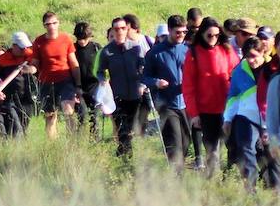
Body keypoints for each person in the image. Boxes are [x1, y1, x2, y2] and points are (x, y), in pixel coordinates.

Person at [184, 17, 234, 175]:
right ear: (202, 33)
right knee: (212, 152)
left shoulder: (226, 50)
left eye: (216, 35)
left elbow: (237, 75)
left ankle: (231, 180)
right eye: (209, 35)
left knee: (232, 147)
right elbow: (188, 86)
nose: (213, 39)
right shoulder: (193, 53)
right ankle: (213, 183)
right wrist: (194, 113)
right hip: (206, 111)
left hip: (227, 109)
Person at [143, 14, 192, 168]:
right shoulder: (155, 53)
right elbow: (145, 77)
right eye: (178, 32)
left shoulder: (188, 50)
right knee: (174, 140)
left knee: (185, 141)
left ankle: (179, 169)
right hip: (166, 104)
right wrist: (156, 82)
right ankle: (175, 176)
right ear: (169, 30)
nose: (181, 35)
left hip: (186, 103)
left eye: (184, 32)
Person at [224, 36, 271, 188]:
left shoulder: (271, 69)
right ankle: (250, 187)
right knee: (246, 148)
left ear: (262, 52)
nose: (251, 60)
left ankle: (270, 183)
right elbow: (233, 96)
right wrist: (228, 119)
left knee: (267, 152)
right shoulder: (239, 70)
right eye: (247, 56)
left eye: (254, 56)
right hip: (246, 116)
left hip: (269, 118)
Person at [96, 16, 145, 159]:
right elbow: (100, 71)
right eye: (116, 29)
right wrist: (102, 80)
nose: (120, 31)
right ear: (113, 30)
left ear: (127, 29)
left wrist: (142, 83)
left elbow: (144, 67)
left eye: (123, 28)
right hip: (117, 95)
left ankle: (122, 154)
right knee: (122, 128)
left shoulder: (136, 48)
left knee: (131, 128)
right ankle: (126, 158)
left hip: (136, 95)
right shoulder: (107, 51)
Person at [31, 11, 80, 139]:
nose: (51, 26)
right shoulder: (39, 41)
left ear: (58, 23)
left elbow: (73, 62)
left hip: (65, 80)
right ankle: (52, 146)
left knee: (68, 111)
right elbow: (35, 64)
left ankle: (72, 143)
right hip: (46, 82)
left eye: (54, 23)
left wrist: (78, 84)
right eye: (48, 24)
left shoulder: (65, 39)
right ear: (44, 26)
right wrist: (29, 69)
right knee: (50, 116)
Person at [0, 34, 38, 138]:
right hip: (10, 99)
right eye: (22, 47)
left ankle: (18, 149)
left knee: (24, 127)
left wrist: (31, 69)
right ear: (14, 46)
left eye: (26, 47)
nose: (24, 50)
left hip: (27, 99)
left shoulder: (30, 55)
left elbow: (38, 69)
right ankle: (14, 147)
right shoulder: (3, 59)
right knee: (17, 129)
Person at [72, 21, 102, 138]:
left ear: (89, 36)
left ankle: (95, 140)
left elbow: (103, 66)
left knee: (94, 116)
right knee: (82, 116)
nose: (81, 41)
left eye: (84, 38)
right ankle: (79, 140)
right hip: (78, 88)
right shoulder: (73, 49)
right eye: (79, 38)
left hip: (94, 86)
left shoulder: (96, 48)